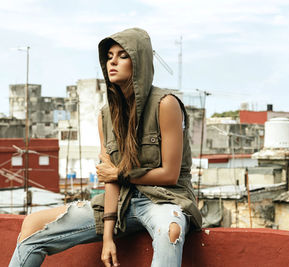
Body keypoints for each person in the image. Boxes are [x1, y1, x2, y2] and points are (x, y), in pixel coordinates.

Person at [9, 27, 202, 267]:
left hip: (164, 199)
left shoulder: (165, 104)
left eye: (122, 56)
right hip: (122, 203)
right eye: (109, 56)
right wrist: (108, 237)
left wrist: (122, 174)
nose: (113, 62)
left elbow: (170, 175)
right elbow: (110, 179)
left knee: (171, 230)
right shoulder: (106, 115)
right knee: (32, 226)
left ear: (139, 62)